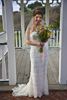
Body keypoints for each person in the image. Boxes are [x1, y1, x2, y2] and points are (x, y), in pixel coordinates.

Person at [12, 9, 49, 98]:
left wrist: (46, 38)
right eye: (37, 17)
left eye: (40, 17)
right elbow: (27, 41)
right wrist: (37, 43)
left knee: (42, 70)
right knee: (35, 70)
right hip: (34, 52)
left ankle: (40, 89)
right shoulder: (29, 28)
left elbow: (45, 39)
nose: (39, 19)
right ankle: (35, 91)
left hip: (42, 52)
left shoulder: (43, 27)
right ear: (34, 17)